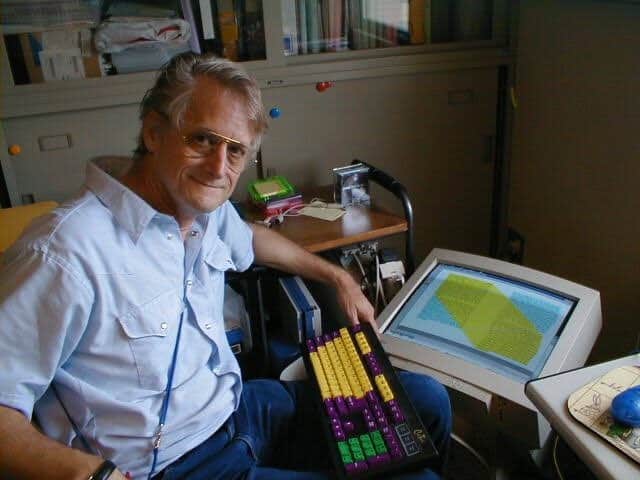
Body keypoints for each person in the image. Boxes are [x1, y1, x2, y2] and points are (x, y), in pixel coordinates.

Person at [0, 52, 451, 480]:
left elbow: (250, 238)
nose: (219, 167)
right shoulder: (62, 253)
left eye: (235, 150)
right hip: (173, 466)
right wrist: (91, 475)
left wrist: (337, 276)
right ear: (153, 132)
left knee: (427, 402)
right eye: (202, 139)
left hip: (237, 414)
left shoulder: (200, 207)